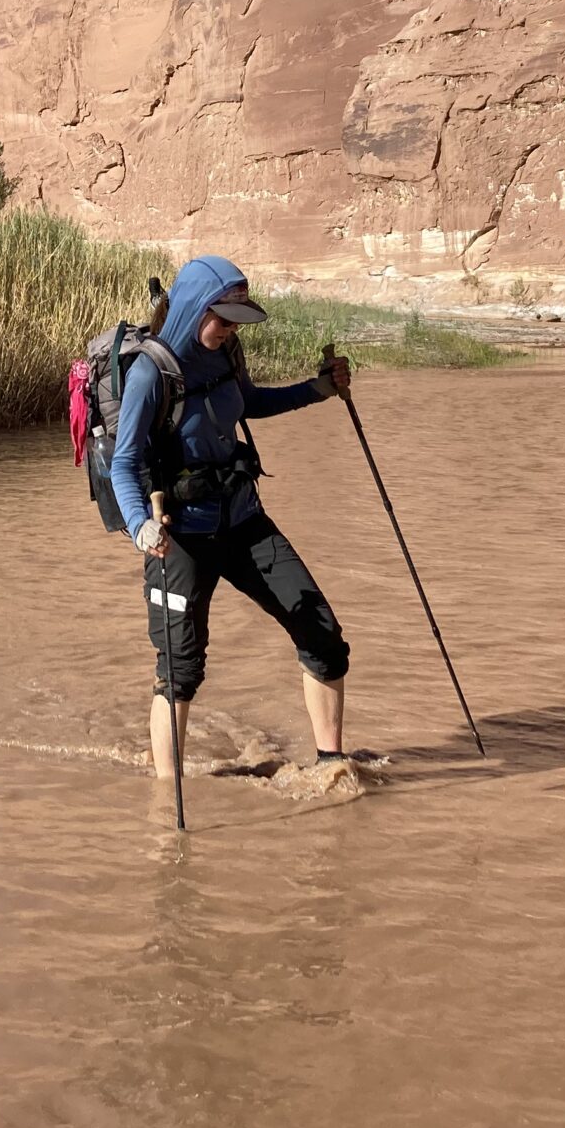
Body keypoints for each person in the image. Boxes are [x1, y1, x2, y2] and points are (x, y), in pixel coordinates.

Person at [109, 255, 354, 783]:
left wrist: (319, 389)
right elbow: (124, 464)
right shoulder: (151, 372)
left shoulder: (226, 356)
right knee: (180, 671)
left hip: (244, 522)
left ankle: (332, 767)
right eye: (222, 318)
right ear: (196, 308)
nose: (230, 329)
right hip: (178, 539)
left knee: (324, 637)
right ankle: (166, 793)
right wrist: (140, 526)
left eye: (236, 319)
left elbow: (248, 403)